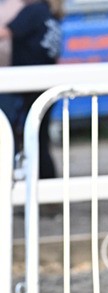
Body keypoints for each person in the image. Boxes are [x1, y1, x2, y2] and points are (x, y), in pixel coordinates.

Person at [0, 0, 62, 178]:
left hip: (28, 86)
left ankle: (20, 183)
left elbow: (4, 32)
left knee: (23, 136)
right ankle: (48, 188)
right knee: (39, 138)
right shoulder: (49, 14)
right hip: (45, 84)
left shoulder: (33, 12)